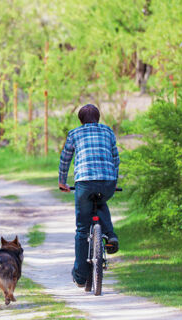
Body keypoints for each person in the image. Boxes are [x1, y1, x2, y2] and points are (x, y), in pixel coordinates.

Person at [58, 104, 120, 287]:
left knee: (82, 230)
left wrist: (62, 182)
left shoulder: (75, 134)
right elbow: (115, 158)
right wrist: (113, 179)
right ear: (98, 118)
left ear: (81, 120)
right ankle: (110, 234)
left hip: (84, 183)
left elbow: (65, 158)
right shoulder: (108, 132)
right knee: (100, 202)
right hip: (107, 182)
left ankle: (80, 276)